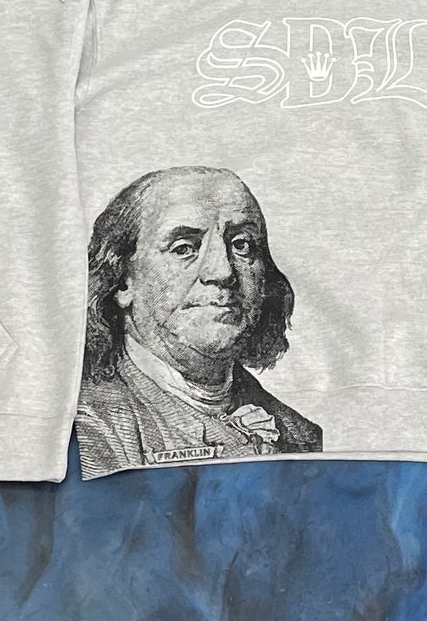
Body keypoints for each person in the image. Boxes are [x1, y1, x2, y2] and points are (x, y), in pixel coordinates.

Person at [76, 166, 322, 476]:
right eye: (184, 249)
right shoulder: (87, 429)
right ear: (123, 281)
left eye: (242, 244)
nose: (223, 272)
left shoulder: (301, 435)